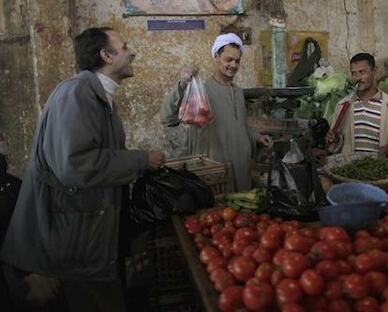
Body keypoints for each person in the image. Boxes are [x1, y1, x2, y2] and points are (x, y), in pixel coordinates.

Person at [0, 27, 166, 312]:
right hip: (73, 241)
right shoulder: (77, 93)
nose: (132, 51)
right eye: (124, 46)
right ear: (106, 55)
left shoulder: (97, 96)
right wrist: (140, 160)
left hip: (85, 234)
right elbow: (75, 165)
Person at [160, 33, 272, 192]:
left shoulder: (238, 93)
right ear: (216, 56)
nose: (233, 65)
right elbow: (168, 116)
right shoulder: (202, 92)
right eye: (228, 59)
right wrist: (182, 84)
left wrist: (257, 137)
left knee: (240, 212)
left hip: (241, 167)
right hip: (214, 170)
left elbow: (239, 126)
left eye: (237, 61)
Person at [325, 53, 388, 157]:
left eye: (362, 72)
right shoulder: (342, 106)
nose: (358, 78)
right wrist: (335, 139)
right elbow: (333, 146)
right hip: (350, 169)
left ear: (374, 71)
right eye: (354, 73)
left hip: (380, 170)